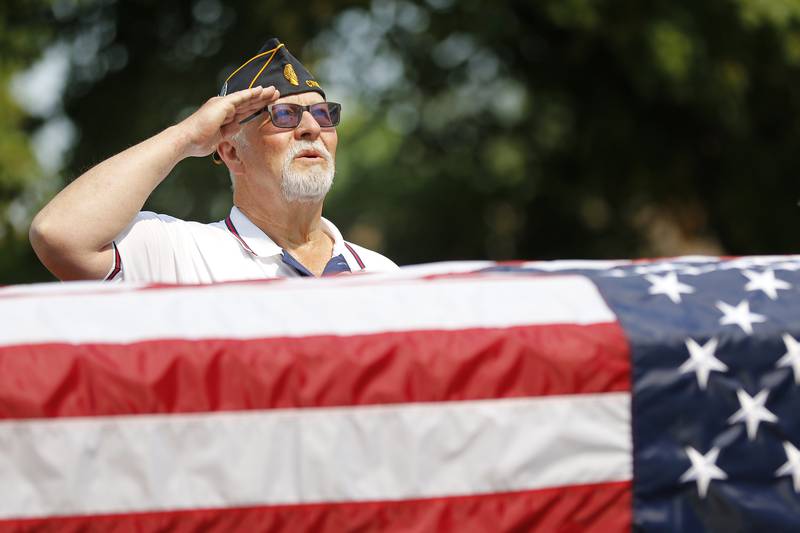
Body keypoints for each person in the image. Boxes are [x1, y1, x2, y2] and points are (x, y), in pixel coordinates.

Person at [29, 38, 399, 283]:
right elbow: (58, 234)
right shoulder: (178, 252)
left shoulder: (383, 274)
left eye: (322, 114)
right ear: (233, 151)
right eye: (283, 115)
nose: (310, 128)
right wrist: (187, 135)